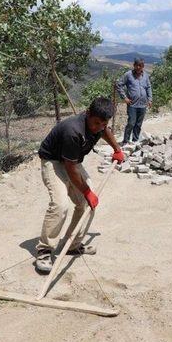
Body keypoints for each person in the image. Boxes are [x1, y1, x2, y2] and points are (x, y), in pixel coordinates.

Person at [35, 97, 125, 273]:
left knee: (86, 204)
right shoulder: (73, 131)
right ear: (88, 113)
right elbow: (70, 169)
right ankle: (45, 251)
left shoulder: (99, 124)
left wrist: (117, 149)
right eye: (96, 123)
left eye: (102, 123)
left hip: (71, 161)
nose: (98, 127)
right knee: (60, 205)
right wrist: (87, 191)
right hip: (53, 161)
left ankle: (72, 244)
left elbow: (104, 131)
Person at [117, 57, 152, 144]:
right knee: (131, 123)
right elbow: (119, 85)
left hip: (143, 104)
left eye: (141, 66)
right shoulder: (128, 75)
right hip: (132, 104)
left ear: (143, 66)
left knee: (138, 124)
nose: (139, 67)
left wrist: (150, 99)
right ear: (134, 65)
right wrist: (124, 98)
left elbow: (148, 87)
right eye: (137, 65)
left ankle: (135, 140)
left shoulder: (146, 75)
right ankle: (126, 141)